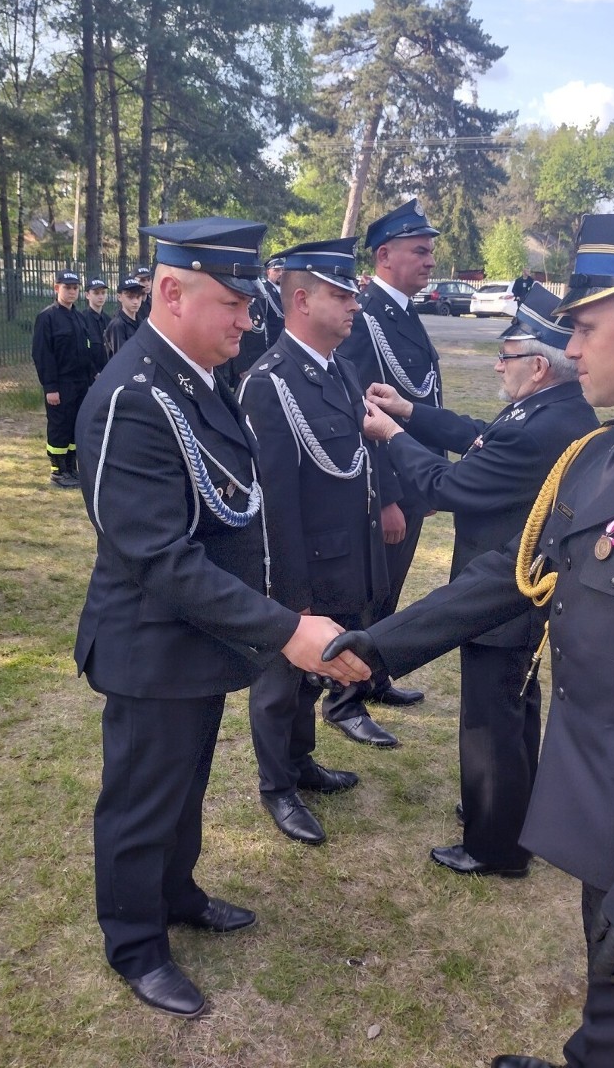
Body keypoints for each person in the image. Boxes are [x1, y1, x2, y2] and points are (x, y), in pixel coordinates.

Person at [324, 211, 614, 1068]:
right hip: (603, 804)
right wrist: (380, 645)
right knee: (612, 996)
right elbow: (509, 573)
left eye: (584, 326)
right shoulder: (601, 453)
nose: (570, 347)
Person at [73, 217, 371, 1019]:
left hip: (196, 643)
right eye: (234, 304)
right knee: (143, 799)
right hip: (149, 646)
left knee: (184, 786)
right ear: (171, 293)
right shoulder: (135, 397)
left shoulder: (193, 375)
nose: (249, 320)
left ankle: (176, 893)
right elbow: (158, 558)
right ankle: (135, 943)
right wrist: (282, 627)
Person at [363, 284, 598, 876]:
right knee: (514, 706)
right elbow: (479, 435)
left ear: (539, 366)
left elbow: (449, 488)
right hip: (523, 587)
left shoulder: (542, 425)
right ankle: (511, 818)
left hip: (504, 592)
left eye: (508, 355)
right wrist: (412, 413)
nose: (497, 363)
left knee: (491, 717)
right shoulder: (551, 410)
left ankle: (493, 849)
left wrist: (391, 438)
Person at [237, 238, 388, 845]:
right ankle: (277, 786)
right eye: (339, 293)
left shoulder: (340, 369)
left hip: (340, 555)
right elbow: (274, 503)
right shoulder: (268, 384)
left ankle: (300, 764)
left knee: (309, 674)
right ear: (299, 299)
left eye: (353, 292)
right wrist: (289, 597)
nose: (354, 303)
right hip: (297, 567)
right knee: (279, 680)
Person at [325, 197, 443, 745]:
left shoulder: (400, 311)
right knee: (366, 591)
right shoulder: (365, 316)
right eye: (419, 251)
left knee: (390, 588)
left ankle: (374, 676)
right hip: (386, 484)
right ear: (385, 255)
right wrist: (388, 497)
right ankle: (344, 698)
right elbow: (360, 412)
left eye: (430, 251)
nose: (429, 261)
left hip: (413, 476)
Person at [31, 269, 93, 487]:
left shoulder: (78, 317)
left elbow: (85, 351)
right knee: (59, 426)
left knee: (75, 425)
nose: (72, 292)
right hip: (60, 383)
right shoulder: (47, 317)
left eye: (75, 288)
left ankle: (70, 467)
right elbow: (43, 355)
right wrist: (50, 387)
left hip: (80, 384)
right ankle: (57, 471)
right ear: (56, 288)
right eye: (67, 287)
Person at [217, 254, 285, 391]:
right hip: (246, 362)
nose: (281, 273)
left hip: (259, 359)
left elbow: (263, 327)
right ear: (268, 272)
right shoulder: (263, 295)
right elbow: (243, 336)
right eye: (276, 270)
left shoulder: (259, 298)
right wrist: (242, 366)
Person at [103, 277, 144, 358]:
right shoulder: (117, 325)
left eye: (138, 297)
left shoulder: (142, 322)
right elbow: (121, 358)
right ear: (119, 297)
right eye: (130, 297)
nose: (135, 301)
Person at [81, 277, 111, 376]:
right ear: (87, 295)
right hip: (89, 377)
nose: (101, 296)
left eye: (103, 293)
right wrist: (94, 373)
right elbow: (82, 351)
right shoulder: (82, 319)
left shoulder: (109, 320)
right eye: (96, 293)